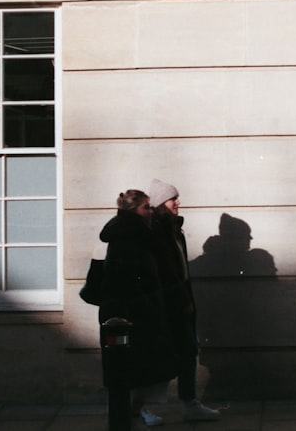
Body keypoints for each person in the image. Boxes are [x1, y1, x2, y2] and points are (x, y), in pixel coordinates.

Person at [99, 189, 178, 431]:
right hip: (134, 311)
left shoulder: (133, 232)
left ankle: (133, 411)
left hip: (131, 309)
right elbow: (132, 278)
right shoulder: (133, 236)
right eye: (147, 207)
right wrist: (148, 303)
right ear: (134, 211)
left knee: (139, 365)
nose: (151, 210)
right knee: (139, 364)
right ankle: (134, 412)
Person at [144, 178, 220, 424]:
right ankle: (141, 407)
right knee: (163, 354)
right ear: (159, 203)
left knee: (187, 351)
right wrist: (179, 298)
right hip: (167, 304)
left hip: (181, 302)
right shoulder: (155, 232)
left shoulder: (174, 231)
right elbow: (164, 272)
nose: (178, 202)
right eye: (172, 198)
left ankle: (189, 404)